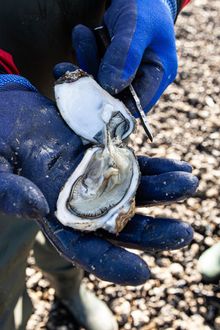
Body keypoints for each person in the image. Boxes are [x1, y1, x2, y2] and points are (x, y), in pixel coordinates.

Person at [0, 1, 196, 329]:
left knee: (71, 231)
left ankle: (69, 288)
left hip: (99, 84)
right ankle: (11, 314)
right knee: (6, 247)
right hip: (7, 130)